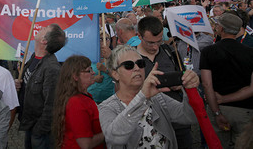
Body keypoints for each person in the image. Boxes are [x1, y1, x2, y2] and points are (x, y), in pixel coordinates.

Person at [99, 45, 198, 148]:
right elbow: (114, 138)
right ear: (115, 74)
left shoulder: (157, 98)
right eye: (129, 65)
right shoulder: (106, 107)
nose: (137, 68)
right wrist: (142, 97)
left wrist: (190, 89)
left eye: (140, 64)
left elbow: (190, 117)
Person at [136, 16, 193, 148]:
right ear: (139, 36)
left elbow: (183, 75)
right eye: (150, 43)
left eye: (159, 41)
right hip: (151, 122)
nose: (155, 46)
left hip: (178, 120)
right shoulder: (131, 58)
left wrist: (180, 84)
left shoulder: (169, 51)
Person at [200, 13, 253, 148]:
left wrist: (217, 110)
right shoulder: (250, 53)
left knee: (218, 145)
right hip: (245, 111)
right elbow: (251, 88)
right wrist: (224, 99)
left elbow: (207, 84)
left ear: (221, 29)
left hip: (218, 108)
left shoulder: (208, 51)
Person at [16, 23, 67, 149]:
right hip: (30, 123)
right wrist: (20, 84)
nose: (40, 28)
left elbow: (52, 105)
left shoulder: (52, 69)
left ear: (44, 41)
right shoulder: (34, 57)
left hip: (40, 130)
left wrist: (39, 130)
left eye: (44, 29)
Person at [52, 55, 105, 149]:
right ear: (75, 76)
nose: (93, 73)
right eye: (89, 70)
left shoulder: (85, 97)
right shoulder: (76, 103)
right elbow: (85, 144)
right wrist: (110, 130)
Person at [88, 33, 115, 104]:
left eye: (107, 39)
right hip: (92, 98)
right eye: (101, 39)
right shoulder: (90, 56)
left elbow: (120, 76)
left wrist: (105, 70)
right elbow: (80, 76)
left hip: (109, 99)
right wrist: (93, 78)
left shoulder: (115, 56)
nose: (104, 42)